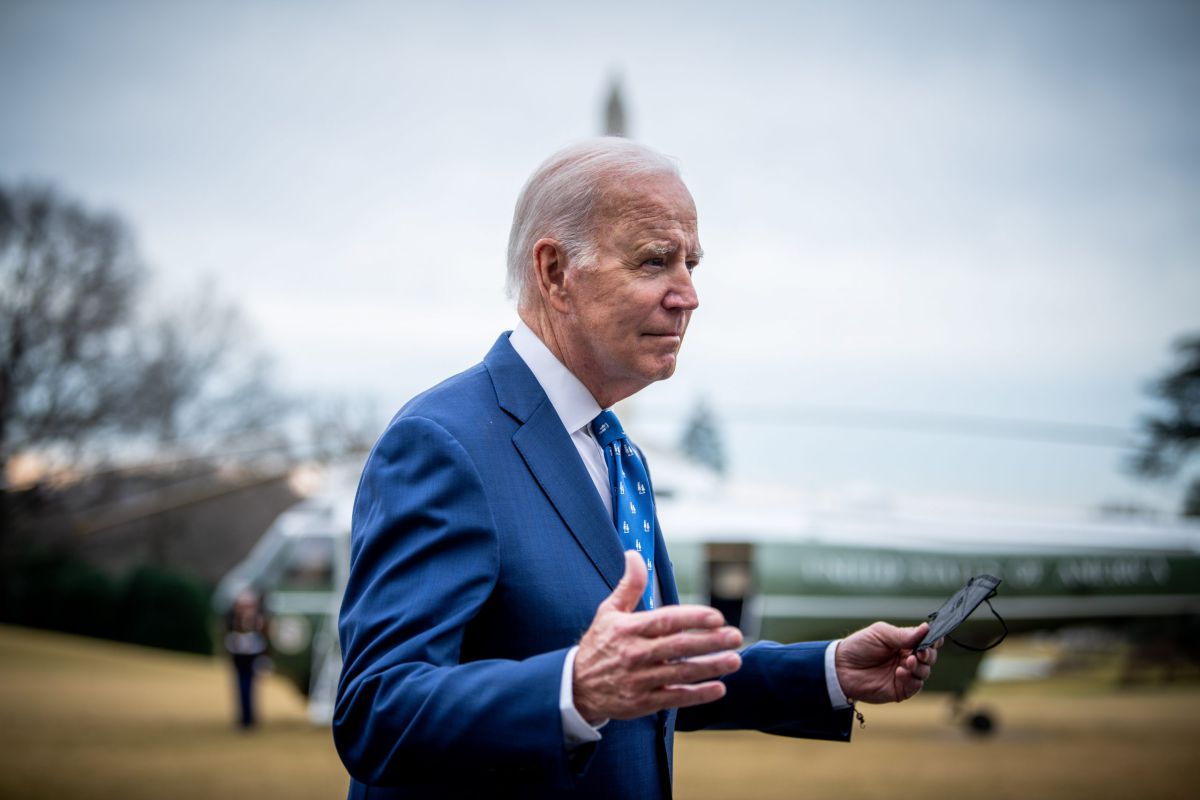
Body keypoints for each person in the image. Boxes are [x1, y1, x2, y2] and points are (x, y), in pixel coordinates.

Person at [334, 138, 941, 798]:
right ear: (556, 272)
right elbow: (375, 710)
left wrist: (826, 671)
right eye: (656, 261)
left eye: (692, 264)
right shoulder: (442, 443)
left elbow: (656, 675)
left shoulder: (616, 451)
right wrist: (576, 687)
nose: (689, 296)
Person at [224, 588, 268, 730]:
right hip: (240, 656)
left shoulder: (256, 619)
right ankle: (245, 717)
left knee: (249, 686)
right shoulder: (234, 619)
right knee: (242, 686)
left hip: (252, 656)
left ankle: (249, 717)